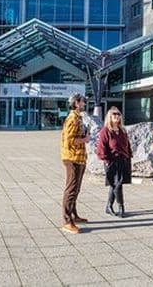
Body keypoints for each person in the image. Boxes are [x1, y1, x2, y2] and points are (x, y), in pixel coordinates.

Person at [60, 92, 90, 234]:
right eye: (83, 101)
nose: (84, 104)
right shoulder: (72, 118)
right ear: (77, 103)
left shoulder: (78, 118)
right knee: (71, 189)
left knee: (76, 188)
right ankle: (67, 221)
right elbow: (70, 141)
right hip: (72, 159)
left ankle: (73, 215)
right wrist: (85, 139)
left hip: (79, 158)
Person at [96, 106, 132, 218]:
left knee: (114, 184)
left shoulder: (122, 130)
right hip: (111, 161)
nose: (117, 116)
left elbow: (127, 145)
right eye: (114, 114)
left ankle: (108, 206)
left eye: (118, 114)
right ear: (109, 117)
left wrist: (129, 155)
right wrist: (106, 160)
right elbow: (101, 148)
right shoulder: (106, 131)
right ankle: (121, 207)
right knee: (117, 184)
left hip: (123, 160)